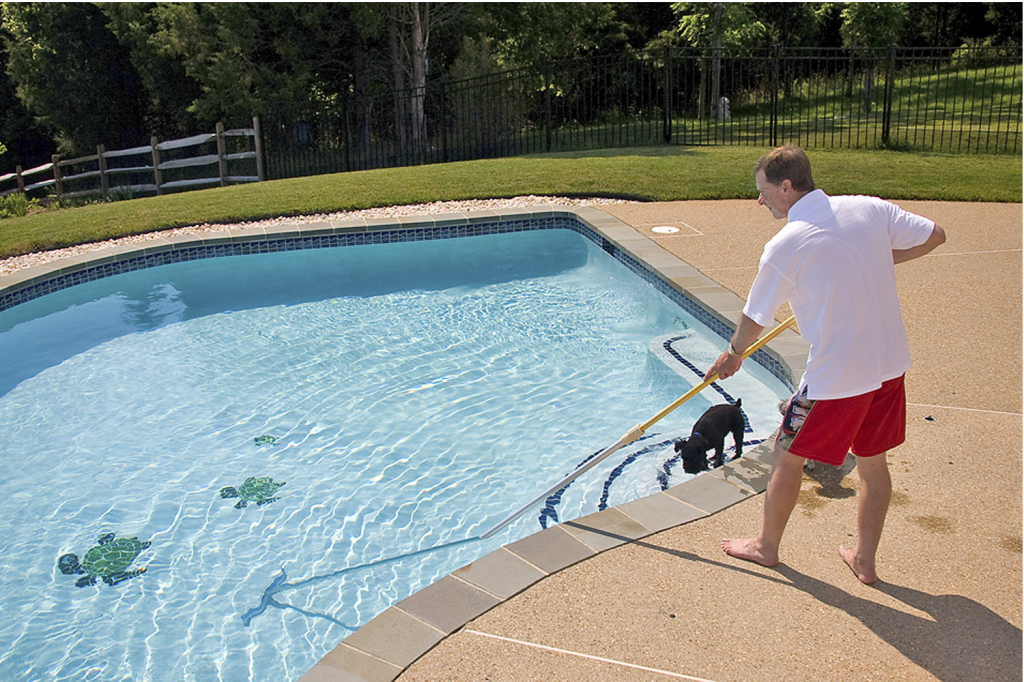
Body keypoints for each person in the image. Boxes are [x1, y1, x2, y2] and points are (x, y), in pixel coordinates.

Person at [705, 144, 946, 585]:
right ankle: (865, 561)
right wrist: (875, 260)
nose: (759, 200)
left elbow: (753, 318)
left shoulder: (786, 244)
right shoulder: (868, 208)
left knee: (786, 455)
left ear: (786, 186)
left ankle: (766, 547)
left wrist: (734, 355)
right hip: (889, 364)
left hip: (837, 378)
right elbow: (935, 235)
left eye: (762, 191)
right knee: (873, 464)